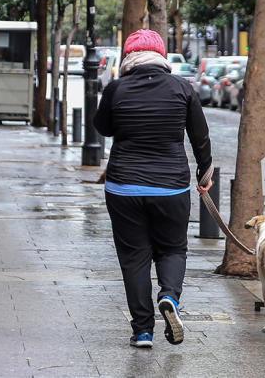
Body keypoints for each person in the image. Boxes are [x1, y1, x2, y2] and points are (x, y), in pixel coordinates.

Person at [94, 29, 212, 349]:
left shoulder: (117, 89)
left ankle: (143, 331)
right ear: (161, 56)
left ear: (128, 57)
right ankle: (170, 296)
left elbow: (102, 127)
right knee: (173, 248)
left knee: (134, 257)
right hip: (170, 187)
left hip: (123, 188)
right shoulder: (182, 88)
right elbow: (199, 136)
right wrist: (205, 173)